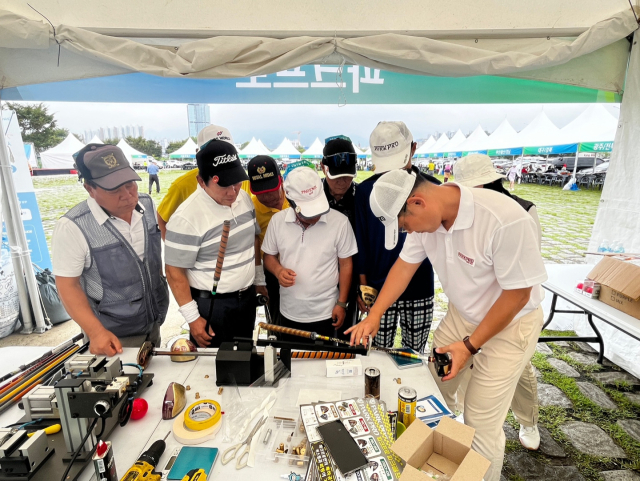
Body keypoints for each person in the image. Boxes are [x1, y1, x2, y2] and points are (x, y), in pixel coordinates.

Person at [347, 168, 547, 481]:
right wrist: (374, 315)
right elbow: (403, 267)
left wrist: (469, 346)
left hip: (511, 326)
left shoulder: (502, 218)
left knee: (480, 420)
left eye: (405, 224)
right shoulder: (427, 223)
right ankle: (417, 467)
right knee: (429, 387)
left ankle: (478, 473)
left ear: (417, 203)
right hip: (462, 315)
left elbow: (519, 295)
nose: (408, 233)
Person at [453, 154, 542, 450]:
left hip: (512, 313)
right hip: (476, 310)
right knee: (471, 363)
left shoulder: (522, 212)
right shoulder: (466, 212)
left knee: (519, 372)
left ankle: (528, 420)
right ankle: (468, 417)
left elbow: (522, 281)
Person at [52, 144, 169, 356]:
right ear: (89, 188)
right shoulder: (73, 227)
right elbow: (67, 285)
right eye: (114, 189)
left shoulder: (147, 203)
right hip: (112, 335)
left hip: (153, 321)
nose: (127, 195)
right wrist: (95, 332)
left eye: (130, 184)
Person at [164, 140, 260, 348]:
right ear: (201, 181)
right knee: (211, 371)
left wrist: (258, 279)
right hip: (212, 306)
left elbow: (253, 240)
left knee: (244, 360)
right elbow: (174, 272)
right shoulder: (186, 217)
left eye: (236, 182)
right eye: (224, 184)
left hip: (246, 299)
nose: (233, 192)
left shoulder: (244, 198)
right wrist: (192, 318)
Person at [354, 121, 439, 353]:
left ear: (413, 148)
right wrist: (363, 287)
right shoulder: (364, 192)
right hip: (378, 287)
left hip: (419, 285)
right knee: (378, 352)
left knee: (416, 354)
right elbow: (361, 243)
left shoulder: (433, 189)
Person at [262, 167, 358, 341]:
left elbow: (346, 264)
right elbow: (268, 256)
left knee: (323, 362)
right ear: (290, 200)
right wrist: (278, 271)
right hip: (289, 311)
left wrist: (341, 303)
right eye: (307, 212)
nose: (315, 216)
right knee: (290, 362)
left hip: (326, 311)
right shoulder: (277, 222)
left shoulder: (340, 223)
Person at [156, 125, 250, 238]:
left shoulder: (242, 180)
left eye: (227, 149)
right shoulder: (182, 185)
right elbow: (162, 218)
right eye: (213, 150)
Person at [320, 135, 359, 335]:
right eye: (337, 175)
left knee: (345, 336)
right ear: (323, 167)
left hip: (351, 278)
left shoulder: (361, 198)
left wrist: (361, 286)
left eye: (348, 175)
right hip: (317, 279)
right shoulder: (313, 196)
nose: (343, 182)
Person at [247, 155, 290, 325]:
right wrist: (259, 280)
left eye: (271, 189)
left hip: (300, 269)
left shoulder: (296, 198)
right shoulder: (251, 210)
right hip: (271, 273)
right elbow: (254, 245)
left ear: (280, 180)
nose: (267, 197)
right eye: (261, 193)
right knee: (277, 322)